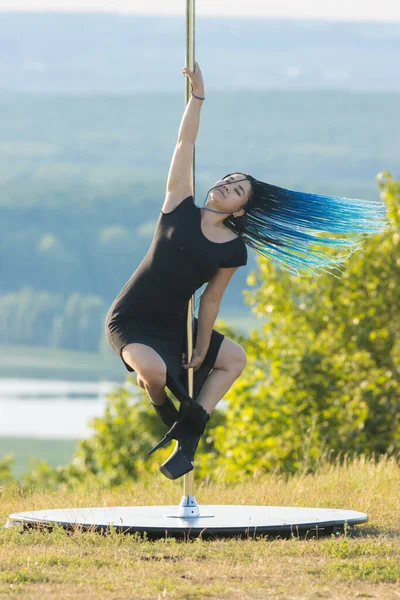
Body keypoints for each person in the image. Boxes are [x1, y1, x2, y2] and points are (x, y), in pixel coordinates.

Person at [105, 62, 388, 481]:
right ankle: (173, 418)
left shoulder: (233, 249)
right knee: (153, 373)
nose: (225, 186)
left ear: (240, 209)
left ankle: (192, 427)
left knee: (234, 359)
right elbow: (185, 143)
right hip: (130, 318)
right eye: (227, 180)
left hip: (176, 323)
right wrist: (198, 97)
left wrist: (201, 348)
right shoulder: (178, 207)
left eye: (236, 190)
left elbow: (212, 299)